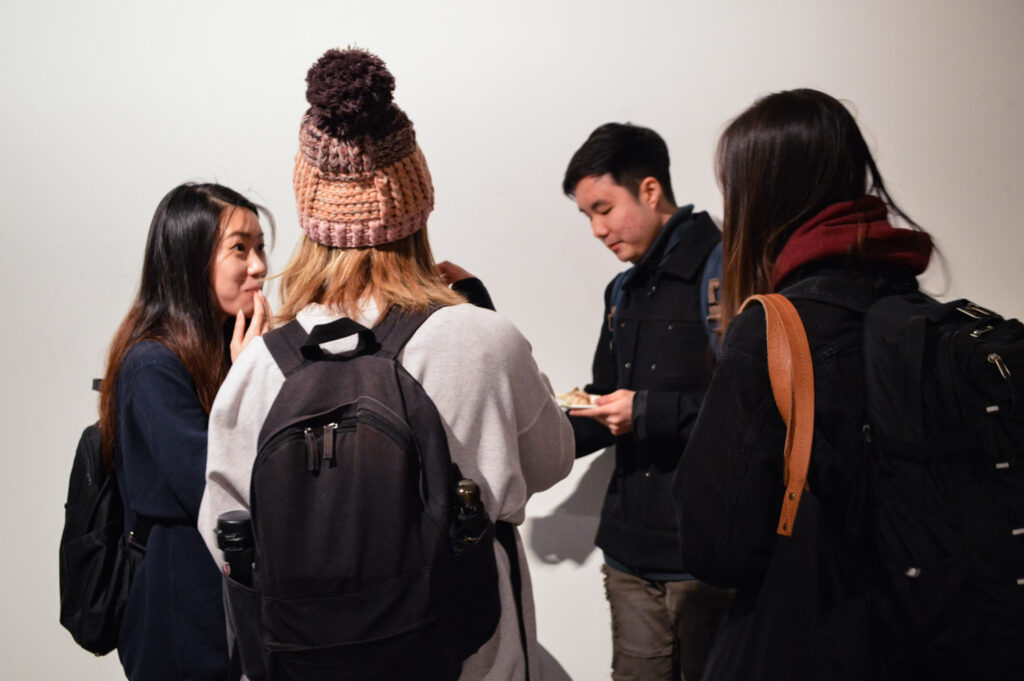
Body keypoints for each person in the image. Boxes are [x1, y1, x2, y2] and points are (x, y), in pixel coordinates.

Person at [197, 48, 574, 681]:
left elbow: (225, 534)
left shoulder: (260, 365)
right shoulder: (485, 340)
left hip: (308, 661)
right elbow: (552, 458)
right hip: (469, 658)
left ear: (309, 219)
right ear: (417, 206)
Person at [674, 89, 935, 679]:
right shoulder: (919, 311)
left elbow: (717, 547)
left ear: (760, 197)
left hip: (810, 640)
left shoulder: (773, 330)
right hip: (927, 635)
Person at [562, 122, 732, 681]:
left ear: (651, 191)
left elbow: (755, 410)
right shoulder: (623, 290)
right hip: (627, 555)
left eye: (603, 208)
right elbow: (605, 398)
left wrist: (644, 411)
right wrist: (541, 421)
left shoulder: (727, 269)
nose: (596, 229)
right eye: (587, 215)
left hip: (708, 557)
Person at [98, 182, 274, 680]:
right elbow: (213, 486)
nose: (258, 265)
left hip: (232, 599)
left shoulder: (234, 348)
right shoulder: (151, 363)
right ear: (190, 258)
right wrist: (249, 381)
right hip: (181, 612)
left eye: (260, 247)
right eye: (240, 248)